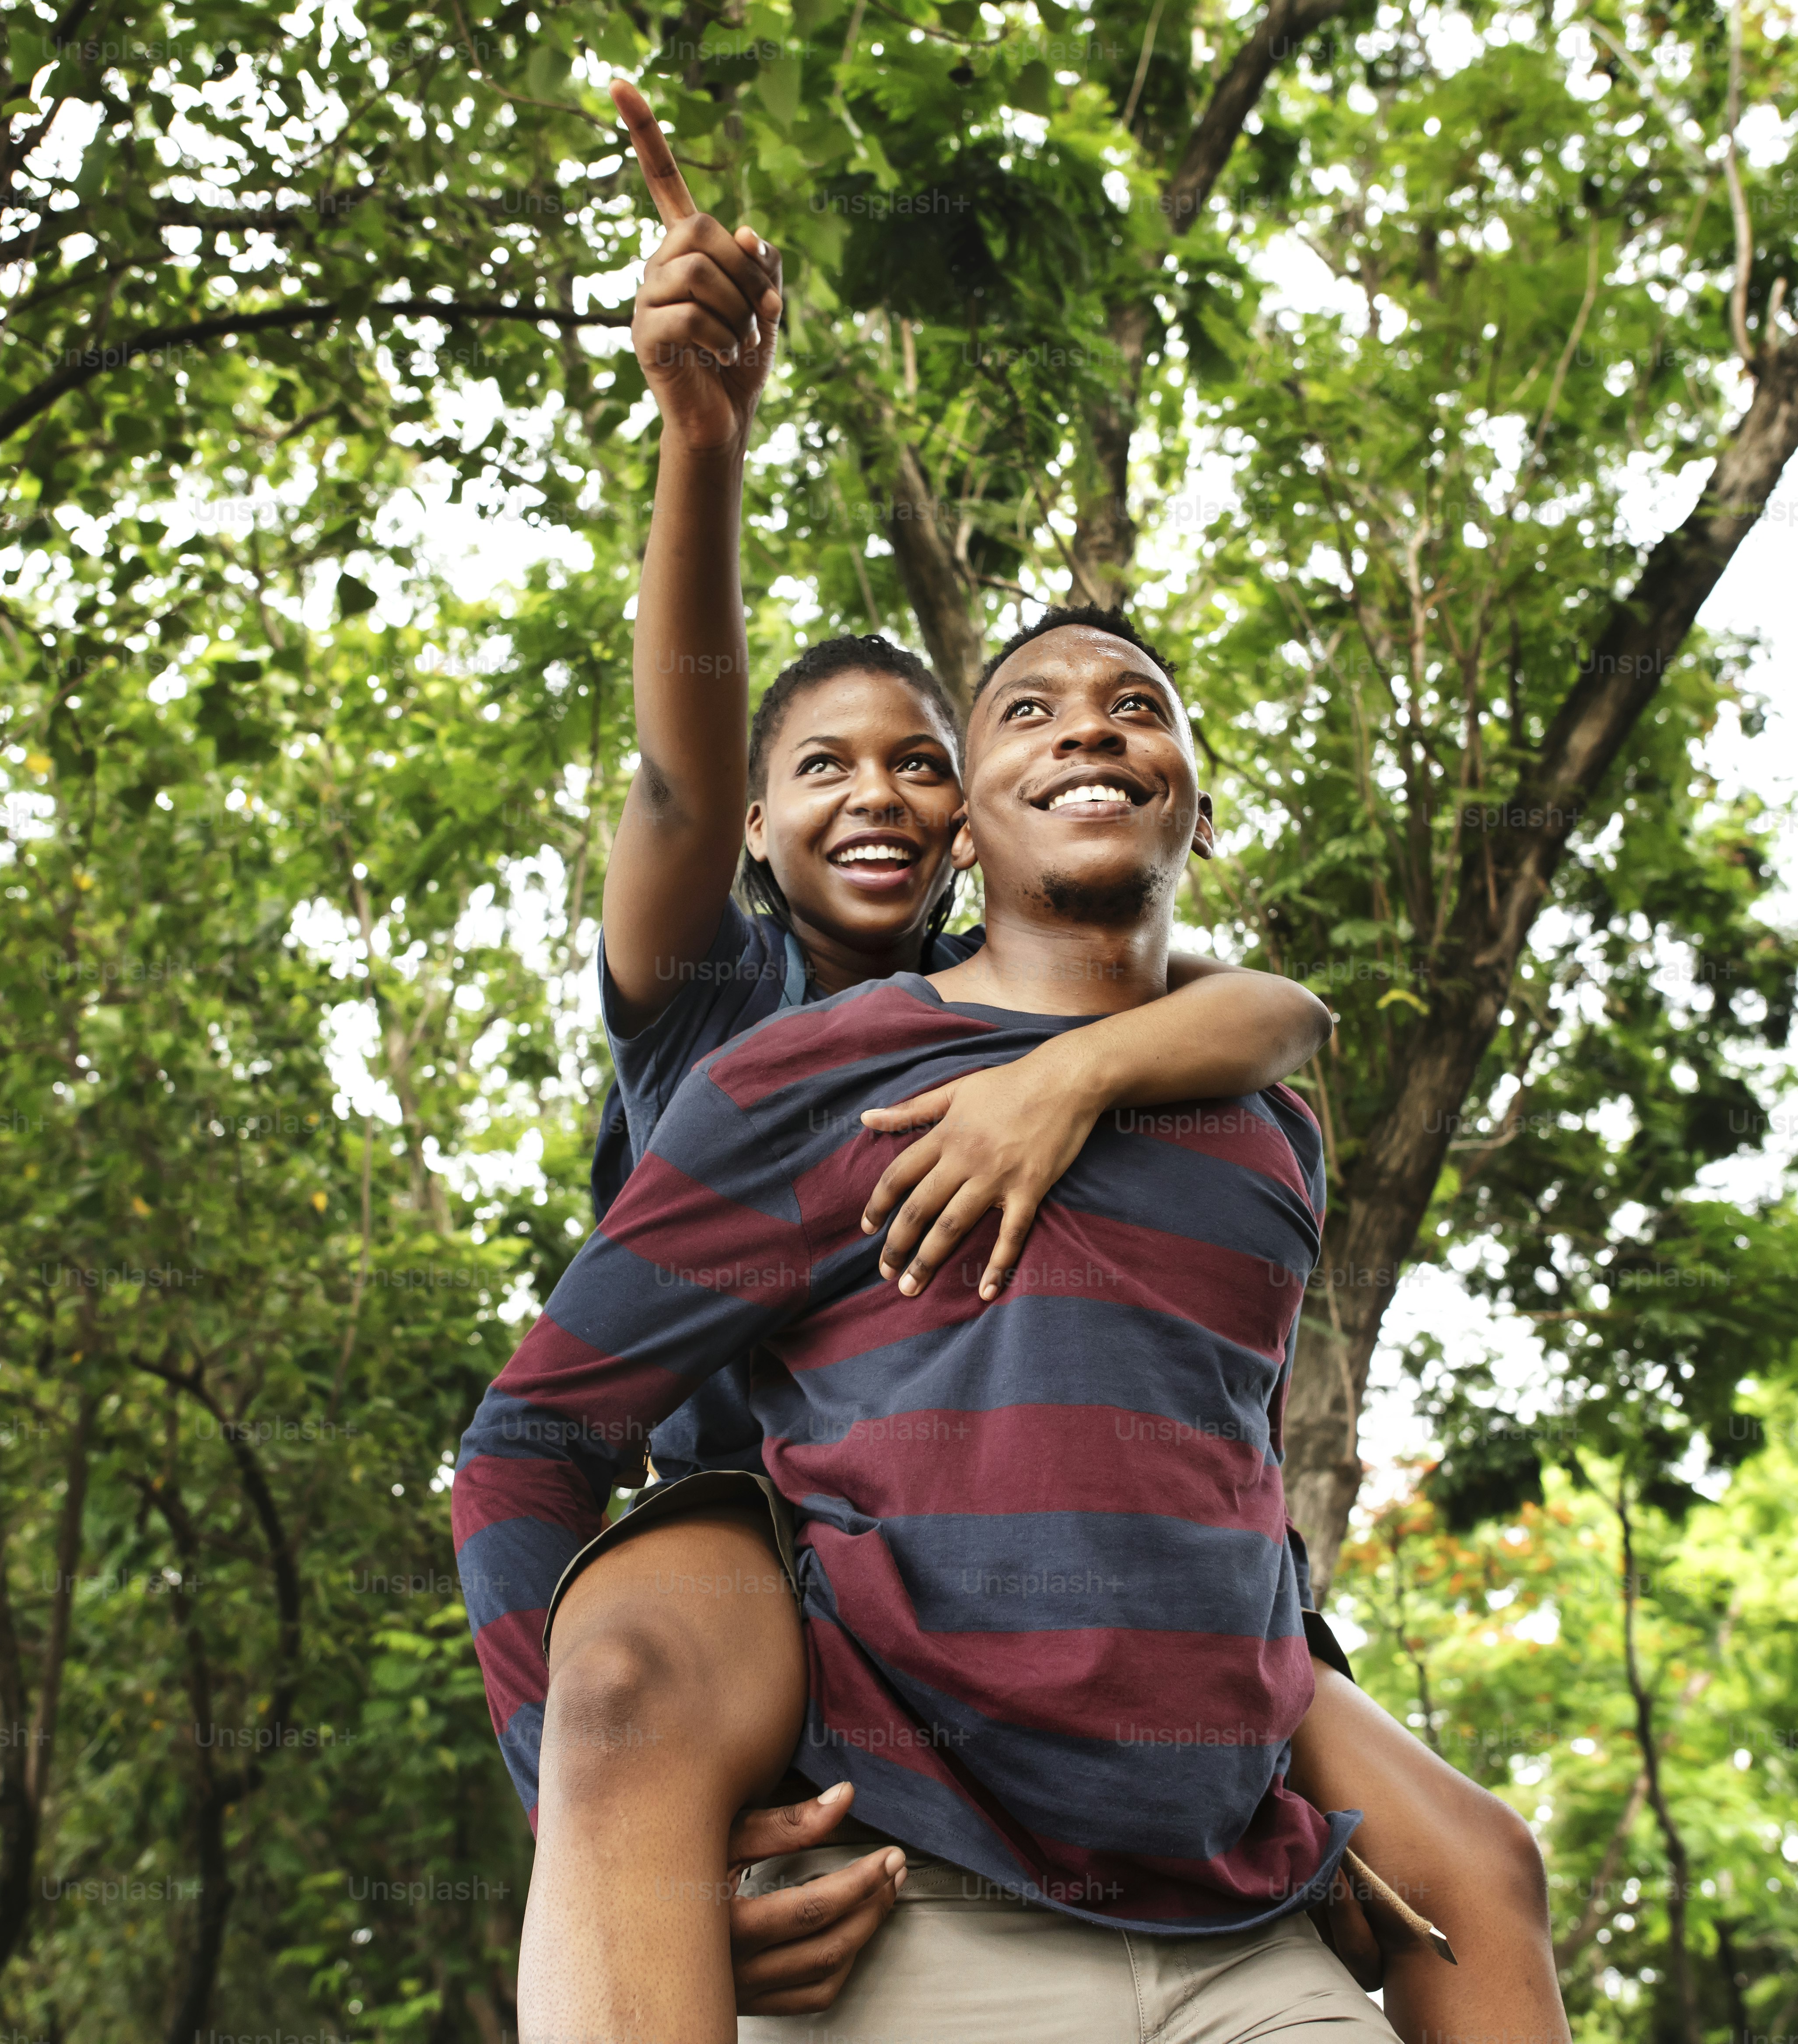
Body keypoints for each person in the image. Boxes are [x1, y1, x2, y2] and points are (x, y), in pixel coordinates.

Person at [461, 80, 1574, 2043]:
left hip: (1117, 1563)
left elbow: (1263, 1007)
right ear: (754, 820)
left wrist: (1071, 1075)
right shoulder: (734, 1016)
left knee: (1475, 1870)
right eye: (827, 767)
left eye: (916, 757)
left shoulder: (1156, 1055)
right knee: (629, 1665)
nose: (879, 795)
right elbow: (674, 760)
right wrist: (700, 445)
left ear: (970, 826)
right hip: (783, 1541)